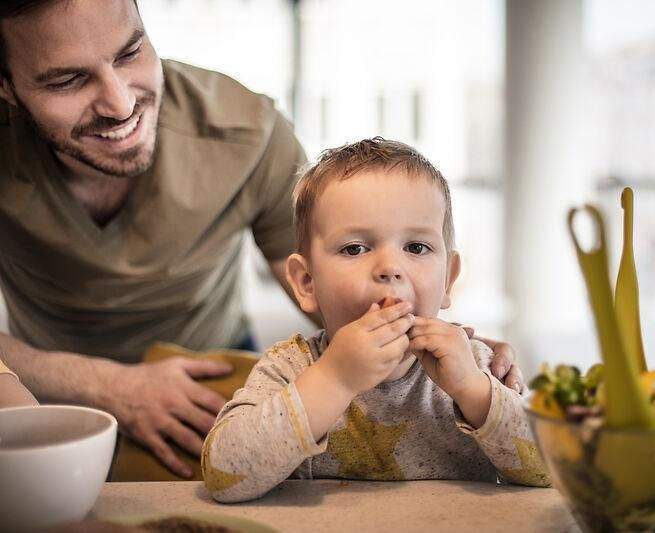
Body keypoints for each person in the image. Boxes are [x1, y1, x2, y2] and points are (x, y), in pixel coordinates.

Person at [0, 0, 524, 478]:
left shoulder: (246, 130)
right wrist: (108, 385)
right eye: (67, 81)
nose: (119, 104)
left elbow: (337, 290)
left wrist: (459, 363)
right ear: (6, 87)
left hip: (217, 388)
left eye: (131, 51)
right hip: (37, 389)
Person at [201, 138, 548, 503]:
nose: (389, 268)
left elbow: (553, 470)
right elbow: (224, 476)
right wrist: (334, 378)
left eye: (416, 247)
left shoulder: (475, 364)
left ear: (447, 279)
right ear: (306, 282)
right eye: (355, 248)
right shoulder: (289, 367)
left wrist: (475, 391)